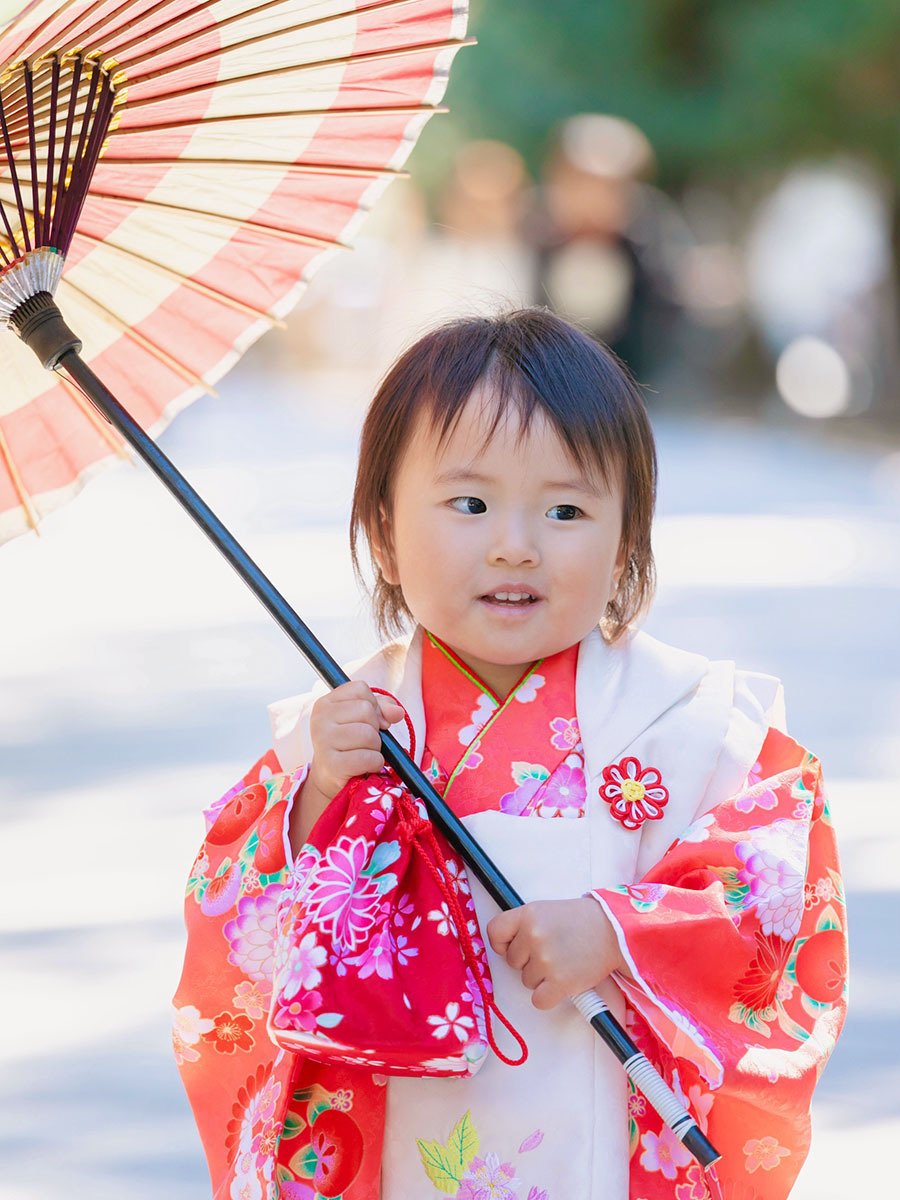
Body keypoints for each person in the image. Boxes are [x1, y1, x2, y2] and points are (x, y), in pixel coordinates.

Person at [173, 309, 847, 1200]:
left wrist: (616, 930)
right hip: (400, 1139)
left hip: (603, 1131)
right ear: (382, 525)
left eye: (566, 508)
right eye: (470, 503)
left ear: (626, 540)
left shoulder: (689, 723)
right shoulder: (340, 733)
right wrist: (316, 798)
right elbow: (235, 909)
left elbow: (776, 893)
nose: (514, 544)